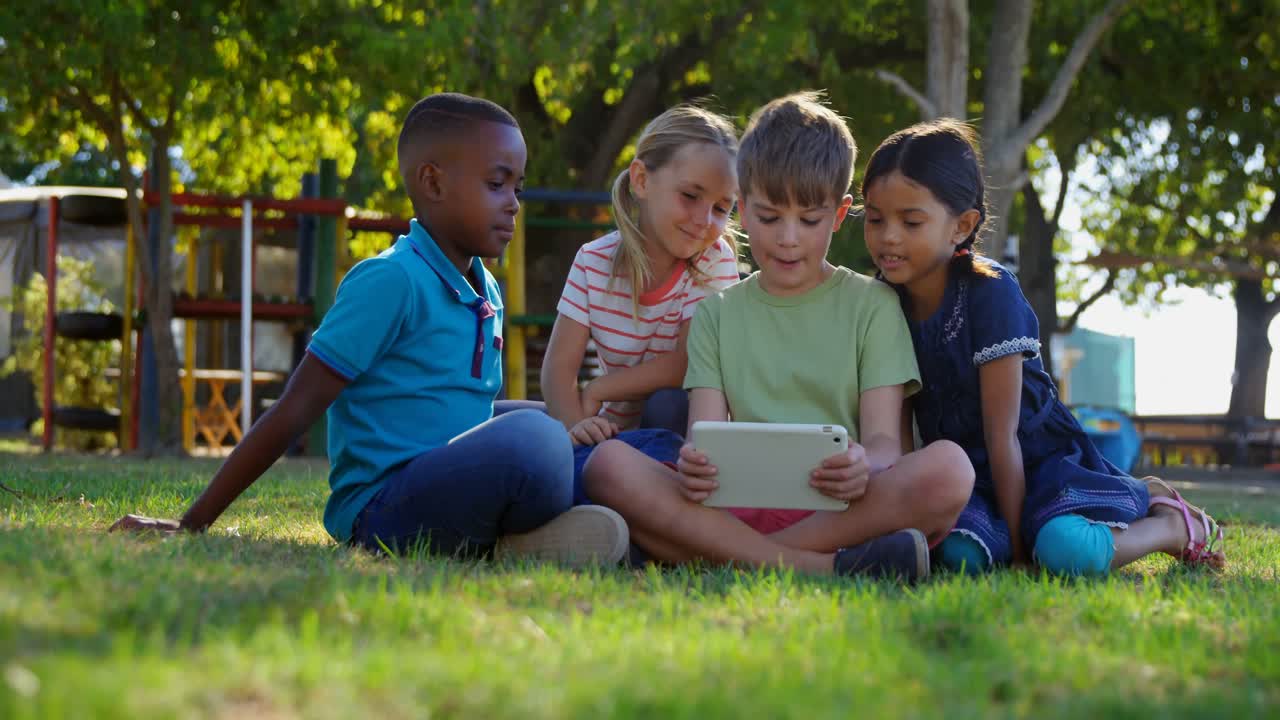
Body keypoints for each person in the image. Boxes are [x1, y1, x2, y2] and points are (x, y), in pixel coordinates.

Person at [111, 93, 629, 567]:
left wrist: (566, 427)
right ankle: (526, 534)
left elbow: (464, 413)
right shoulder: (389, 280)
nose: (514, 203)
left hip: (452, 481)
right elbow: (296, 408)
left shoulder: (485, 289)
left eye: (517, 187)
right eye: (497, 184)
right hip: (384, 512)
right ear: (433, 182)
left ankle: (535, 540)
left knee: (563, 425)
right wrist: (191, 522)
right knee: (537, 437)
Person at [581, 93, 976, 581]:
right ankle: (826, 569)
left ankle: (720, 556)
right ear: (743, 211)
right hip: (735, 507)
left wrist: (863, 463)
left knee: (949, 470)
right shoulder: (716, 316)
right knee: (608, 465)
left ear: (838, 214)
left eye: (809, 220)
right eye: (769, 217)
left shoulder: (873, 306)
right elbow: (703, 439)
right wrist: (695, 466)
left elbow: (884, 445)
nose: (788, 238)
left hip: (838, 512)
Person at [860, 118, 1225, 575]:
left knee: (1063, 552)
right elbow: (897, 432)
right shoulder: (881, 301)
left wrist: (1017, 554)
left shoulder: (989, 294)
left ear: (962, 226)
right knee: (959, 558)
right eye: (875, 219)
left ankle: (1171, 523)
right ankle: (1017, 531)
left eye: (910, 221)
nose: (888, 236)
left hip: (1038, 463)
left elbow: (1003, 435)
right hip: (966, 478)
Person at [540, 104, 742, 502]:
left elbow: (687, 362)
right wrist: (577, 426)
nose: (704, 219)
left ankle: (650, 511)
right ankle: (592, 501)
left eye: (721, 208)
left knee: (668, 405)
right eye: (690, 196)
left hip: (683, 439)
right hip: (616, 435)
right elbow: (558, 370)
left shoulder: (714, 260)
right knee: (521, 427)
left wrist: (600, 388)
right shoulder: (593, 261)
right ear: (641, 180)